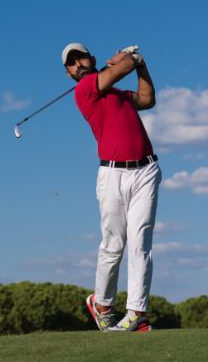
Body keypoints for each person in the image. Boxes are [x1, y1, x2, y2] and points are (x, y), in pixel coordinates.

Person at [61, 42, 161, 333]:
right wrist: (126, 59)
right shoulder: (85, 89)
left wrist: (140, 64)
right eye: (72, 63)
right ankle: (102, 304)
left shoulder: (116, 93)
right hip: (112, 175)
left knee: (141, 243)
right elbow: (125, 66)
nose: (78, 64)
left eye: (82, 58)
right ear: (69, 74)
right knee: (114, 244)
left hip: (146, 170)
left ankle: (138, 314)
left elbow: (147, 98)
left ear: (92, 59)